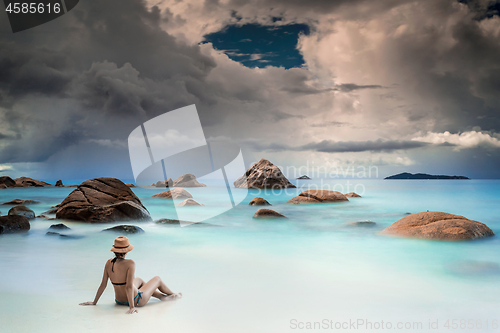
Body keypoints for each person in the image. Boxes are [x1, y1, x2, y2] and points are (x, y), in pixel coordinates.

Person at [79, 236, 182, 314]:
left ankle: (162, 297)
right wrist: (132, 307)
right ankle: (172, 294)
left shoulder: (108, 262)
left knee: (139, 280)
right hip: (136, 300)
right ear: (126, 251)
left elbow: (103, 285)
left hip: (118, 301)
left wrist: (94, 302)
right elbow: (128, 287)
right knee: (157, 279)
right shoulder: (130, 263)